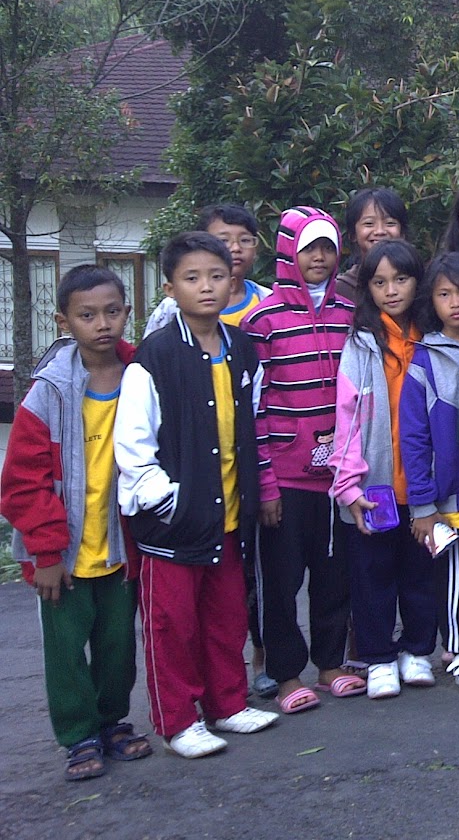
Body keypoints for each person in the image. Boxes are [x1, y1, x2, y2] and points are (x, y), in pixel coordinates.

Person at [113, 232, 278, 756]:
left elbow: (252, 425)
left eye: (216, 276)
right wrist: (168, 501)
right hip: (175, 522)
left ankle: (228, 704)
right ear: (170, 288)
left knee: (226, 618)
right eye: (192, 278)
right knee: (172, 626)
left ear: (232, 281)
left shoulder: (241, 348)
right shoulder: (156, 355)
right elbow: (133, 443)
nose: (206, 287)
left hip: (229, 514)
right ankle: (179, 721)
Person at [2, 266, 151, 780]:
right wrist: (44, 552)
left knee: (118, 647)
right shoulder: (48, 392)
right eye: (87, 315)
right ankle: (79, 735)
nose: (102, 324)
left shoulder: (141, 376)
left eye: (112, 312)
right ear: (64, 322)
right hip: (61, 555)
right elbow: (21, 482)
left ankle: (113, 722)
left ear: (127, 313)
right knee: (66, 653)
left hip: (119, 548)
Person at [244, 207, 358, 715]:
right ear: (288, 251)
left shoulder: (349, 314)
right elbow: (253, 407)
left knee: (334, 576)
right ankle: (286, 673)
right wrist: (265, 484)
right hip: (285, 479)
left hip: (338, 476)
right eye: (309, 247)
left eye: (328, 247)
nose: (319, 257)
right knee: (281, 582)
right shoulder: (262, 321)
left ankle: (330, 665)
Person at [329, 239, 436, 701]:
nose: (391, 291)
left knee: (422, 572)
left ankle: (418, 650)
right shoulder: (360, 343)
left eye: (401, 279)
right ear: (367, 289)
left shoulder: (431, 336)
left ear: (418, 282)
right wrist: (348, 484)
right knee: (372, 576)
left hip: (423, 483)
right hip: (374, 483)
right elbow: (347, 416)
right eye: (379, 282)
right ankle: (378, 658)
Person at [399, 254, 459, 693]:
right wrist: (421, 503)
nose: (455, 303)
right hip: (450, 494)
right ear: (431, 300)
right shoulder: (425, 358)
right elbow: (414, 437)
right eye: (444, 294)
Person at [141, 204, 269, 338]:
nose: (236, 248)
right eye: (223, 240)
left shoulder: (266, 301)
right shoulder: (172, 307)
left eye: (245, 240)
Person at [336, 187, 408, 302]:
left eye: (390, 223)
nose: (380, 231)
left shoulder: (419, 283)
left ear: (402, 232)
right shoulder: (341, 290)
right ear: (353, 234)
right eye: (369, 223)